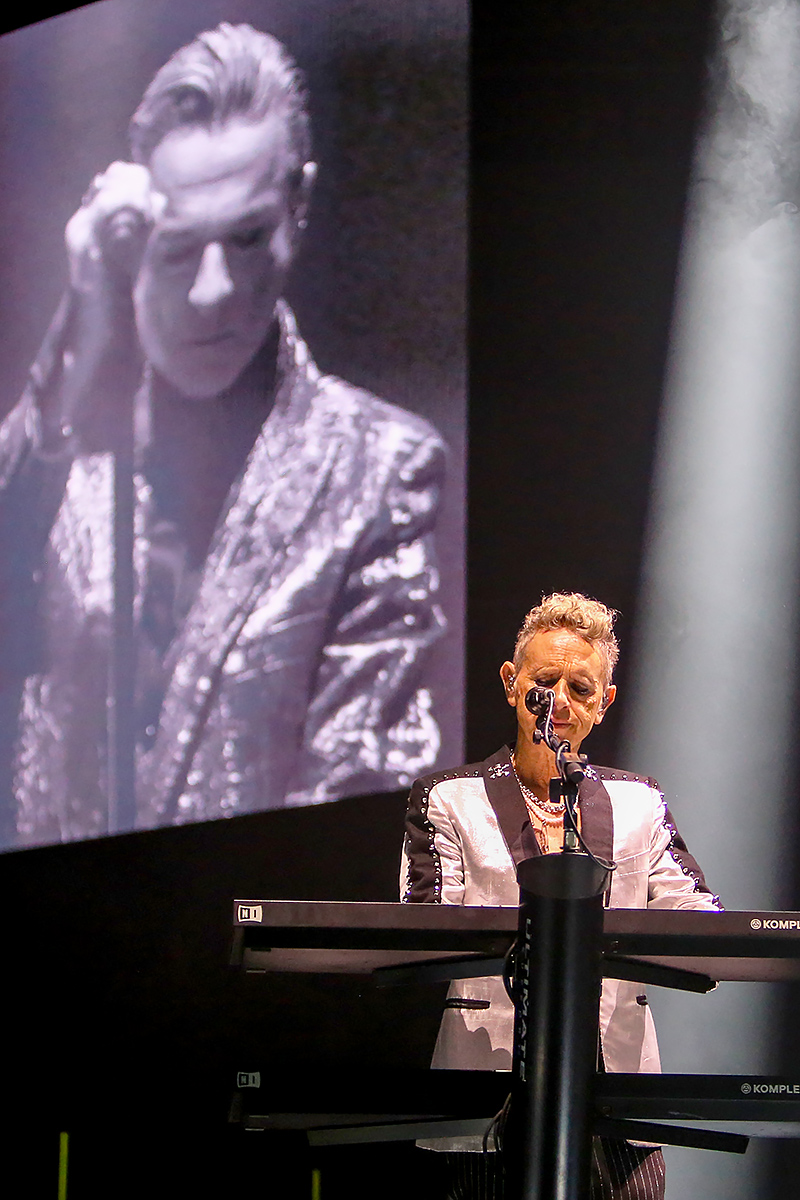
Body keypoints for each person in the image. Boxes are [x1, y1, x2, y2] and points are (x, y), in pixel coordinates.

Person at [0, 23, 446, 847]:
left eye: (246, 239)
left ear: (299, 205)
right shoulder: (57, 450)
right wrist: (83, 316)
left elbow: (361, 792)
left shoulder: (380, 470)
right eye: (178, 250)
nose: (213, 290)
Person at [401, 592, 721, 1200]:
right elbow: (429, 925)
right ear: (511, 683)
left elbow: (697, 914)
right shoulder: (448, 798)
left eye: (580, 688)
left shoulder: (639, 801)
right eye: (545, 683)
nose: (560, 702)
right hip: (487, 1085)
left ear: (604, 702)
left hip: (617, 1092)